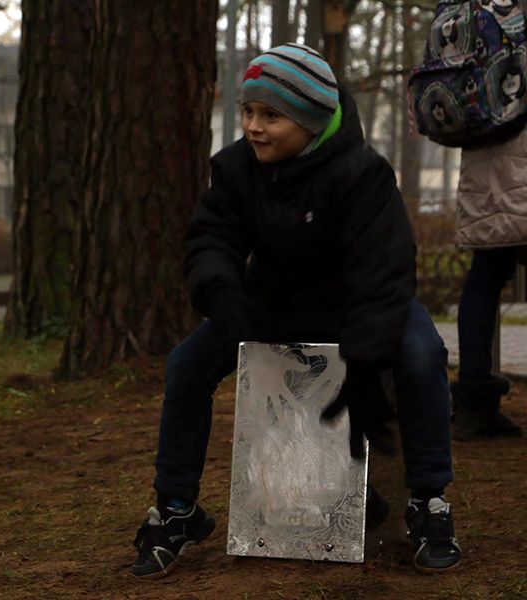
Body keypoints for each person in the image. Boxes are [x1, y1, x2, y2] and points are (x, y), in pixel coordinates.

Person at [131, 44, 461, 579]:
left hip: (361, 306)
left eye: (271, 115)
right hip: (276, 300)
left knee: (423, 355)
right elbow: (211, 237)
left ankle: (428, 501)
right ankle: (177, 510)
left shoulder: (363, 174)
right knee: (186, 365)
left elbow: (386, 274)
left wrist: (368, 361)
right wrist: (224, 295)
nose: (253, 127)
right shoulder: (237, 167)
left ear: (310, 121)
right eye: (247, 112)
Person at [451, 127, 527, 441]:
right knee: (485, 276)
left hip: (484, 170)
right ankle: (476, 407)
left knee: (485, 274)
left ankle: (474, 406)